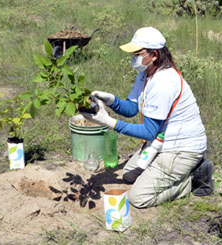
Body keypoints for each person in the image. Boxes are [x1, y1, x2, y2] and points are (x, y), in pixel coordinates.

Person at [82, 27, 214, 208]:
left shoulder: (164, 81)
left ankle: (194, 178)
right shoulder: (145, 75)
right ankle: (168, 170)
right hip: (161, 142)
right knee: (128, 175)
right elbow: (131, 109)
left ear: (154, 55)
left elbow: (149, 131)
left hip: (182, 149)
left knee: (138, 197)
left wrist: (109, 122)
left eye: (137, 53)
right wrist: (111, 100)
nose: (133, 58)